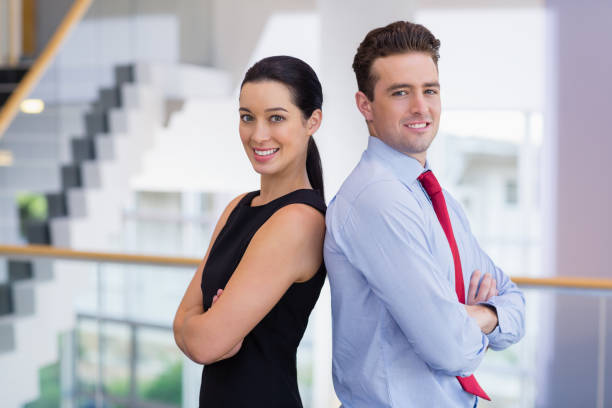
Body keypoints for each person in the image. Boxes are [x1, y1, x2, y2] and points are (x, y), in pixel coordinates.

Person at [324, 21, 526, 407]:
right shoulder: (376, 200)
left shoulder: (439, 200)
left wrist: (473, 315)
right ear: (365, 104)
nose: (421, 107)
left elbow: (516, 304)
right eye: (401, 93)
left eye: (429, 90)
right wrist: (487, 316)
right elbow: (452, 350)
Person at [173, 55, 327, 407]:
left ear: (312, 121)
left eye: (276, 118)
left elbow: (201, 343)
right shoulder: (239, 206)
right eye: (247, 117)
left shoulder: (299, 220)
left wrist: (202, 325)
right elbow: (182, 324)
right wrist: (200, 327)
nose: (258, 134)